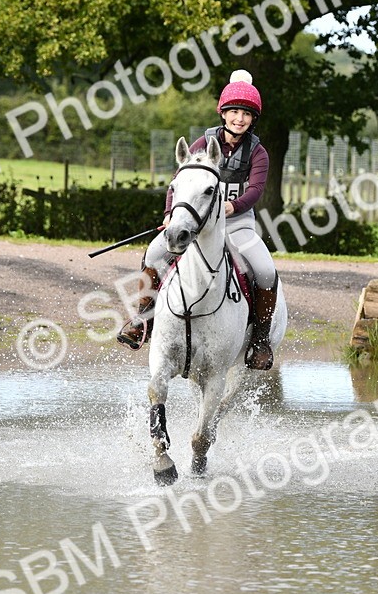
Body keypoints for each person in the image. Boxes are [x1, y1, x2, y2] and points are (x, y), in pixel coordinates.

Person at [116, 70, 280, 370]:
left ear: (252, 118)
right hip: (197, 224)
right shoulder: (202, 144)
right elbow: (178, 182)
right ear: (224, 113)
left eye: (245, 114)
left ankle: (259, 339)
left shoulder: (258, 152)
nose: (239, 119)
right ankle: (142, 319)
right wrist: (170, 215)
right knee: (154, 253)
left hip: (237, 223)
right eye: (234, 112)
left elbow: (256, 190)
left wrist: (233, 206)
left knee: (266, 271)